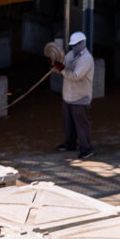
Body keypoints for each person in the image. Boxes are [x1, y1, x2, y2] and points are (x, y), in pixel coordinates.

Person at [46, 29, 96, 159]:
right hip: (68, 96)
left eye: (77, 44)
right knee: (68, 123)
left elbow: (75, 76)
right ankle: (70, 143)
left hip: (80, 97)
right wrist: (56, 66)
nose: (75, 47)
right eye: (73, 45)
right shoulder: (70, 55)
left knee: (81, 124)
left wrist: (61, 69)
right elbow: (64, 67)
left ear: (83, 43)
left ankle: (86, 148)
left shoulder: (86, 59)